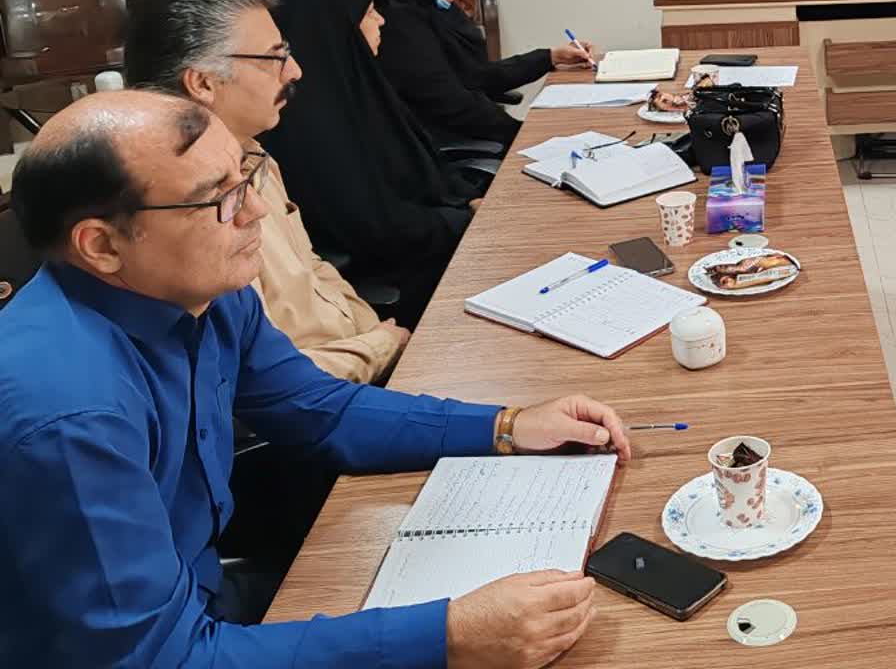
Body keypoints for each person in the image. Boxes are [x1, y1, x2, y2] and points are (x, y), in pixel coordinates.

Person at [0, 89, 628, 662]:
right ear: (103, 246)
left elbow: (319, 410)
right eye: (219, 198)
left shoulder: (203, 293)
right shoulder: (70, 412)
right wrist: (450, 636)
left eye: (246, 176)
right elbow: (165, 659)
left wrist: (507, 426)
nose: (255, 211)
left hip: (200, 597)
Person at [125, 0, 409, 383]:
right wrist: (380, 348)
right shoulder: (188, 208)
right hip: (321, 396)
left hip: (363, 361)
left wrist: (378, 334)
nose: (294, 71)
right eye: (274, 58)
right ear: (203, 82)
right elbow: (257, 382)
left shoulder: (254, 155)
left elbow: (312, 269)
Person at [261, 0, 476, 325]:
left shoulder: (354, 83)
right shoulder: (302, 119)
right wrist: (465, 219)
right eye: (370, 12)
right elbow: (375, 226)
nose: (382, 21)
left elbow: (418, 163)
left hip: (428, 238)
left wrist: (468, 202)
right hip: (396, 276)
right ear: (337, 24)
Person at [370, 0, 596, 148]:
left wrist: (550, 57)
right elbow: (456, 107)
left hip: (472, 134)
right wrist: (527, 136)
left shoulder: (433, 12)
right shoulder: (398, 32)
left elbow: (478, 75)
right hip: (443, 149)